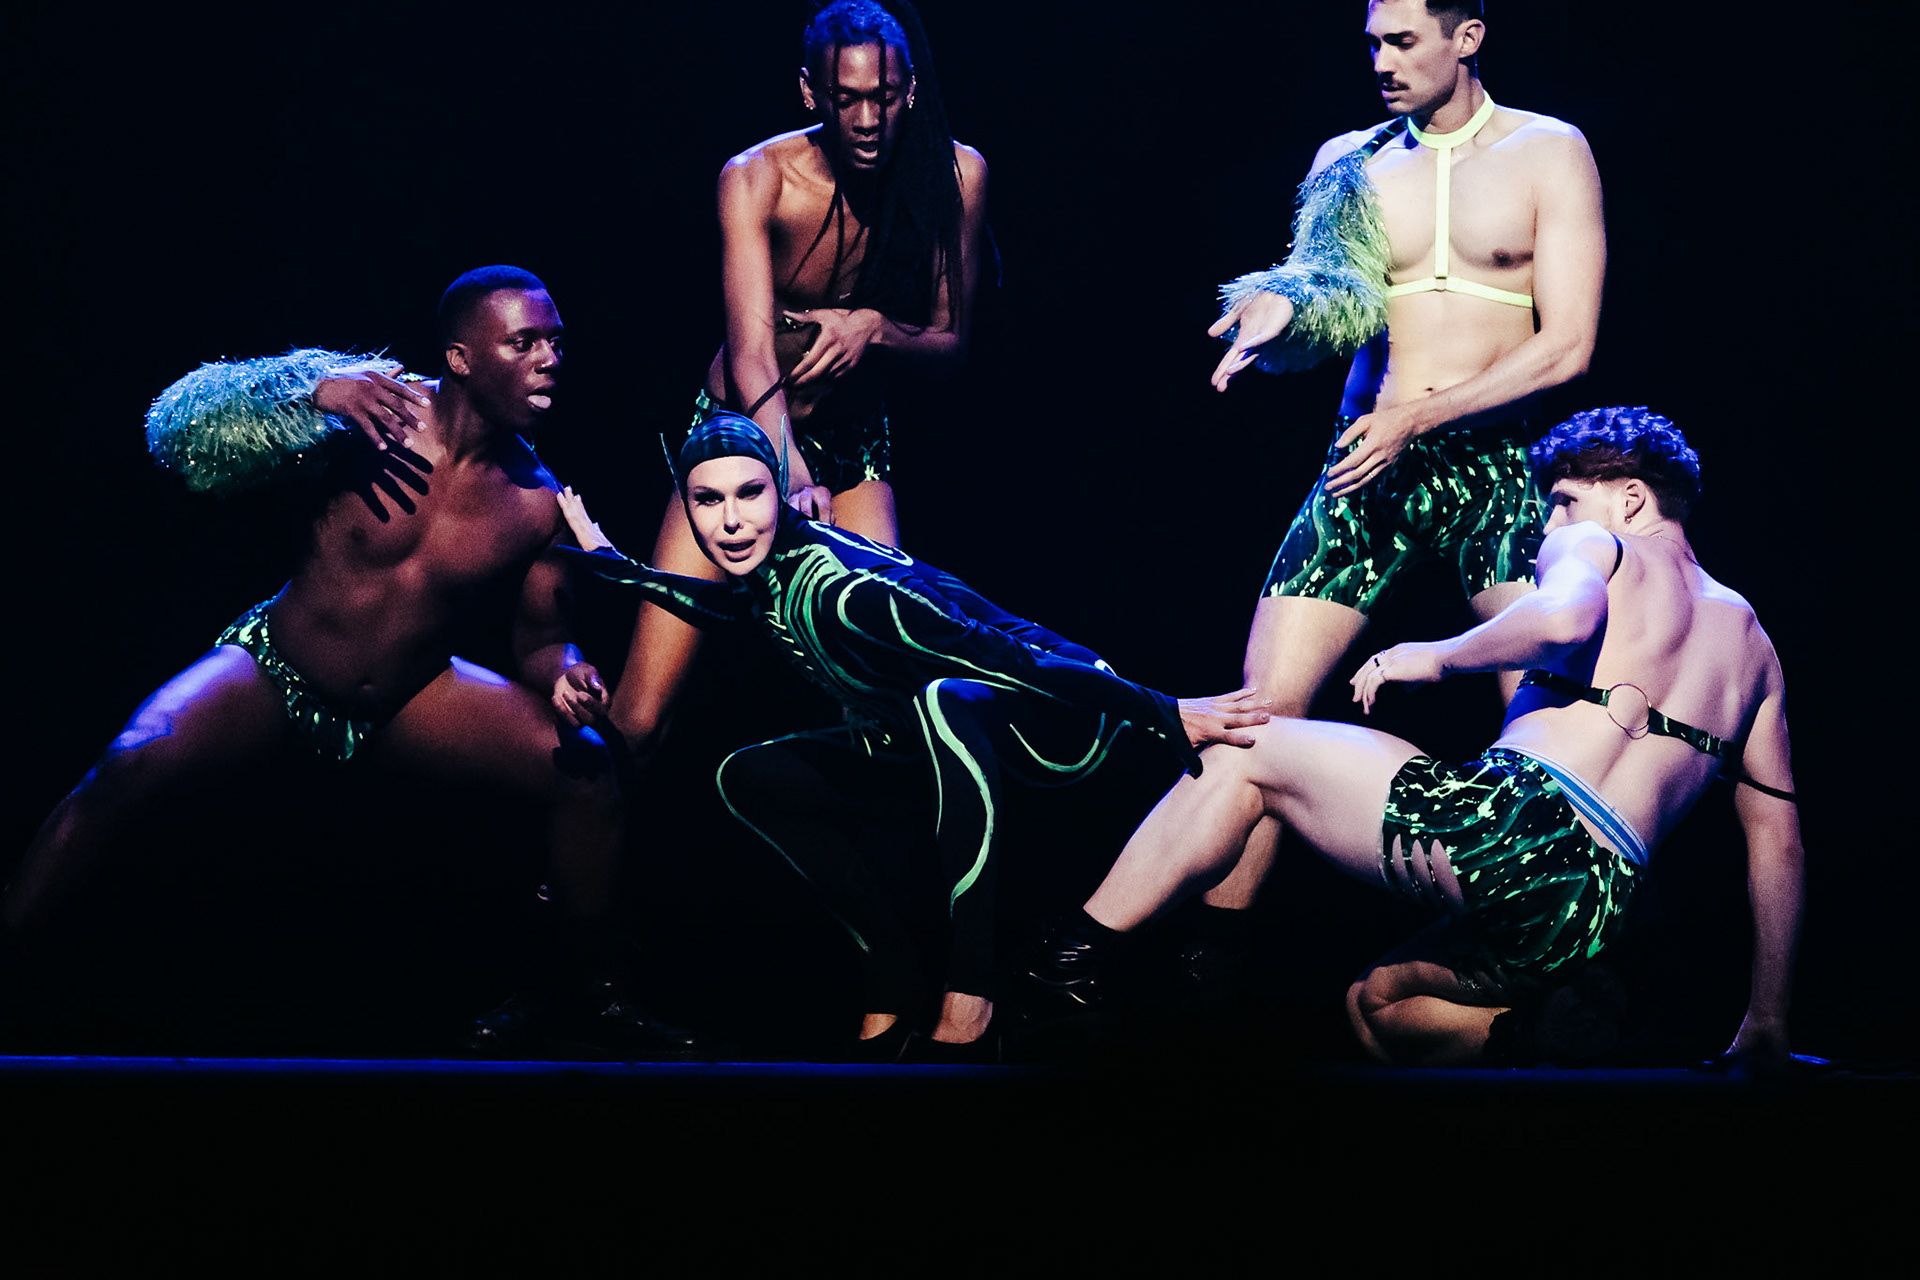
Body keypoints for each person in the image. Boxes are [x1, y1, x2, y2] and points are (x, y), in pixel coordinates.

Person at [4, 266, 695, 1056]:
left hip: (408, 697)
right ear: (461, 357)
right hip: (278, 668)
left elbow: (540, 640)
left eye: (557, 344)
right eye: (524, 343)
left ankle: (591, 993)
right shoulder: (371, 408)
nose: (550, 360)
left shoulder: (539, 502)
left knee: (588, 770)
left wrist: (567, 670)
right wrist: (309, 393)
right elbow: (177, 429)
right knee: (131, 760)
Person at [1028, 408, 1803, 1067]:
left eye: (1564, 501)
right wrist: (1767, 1018)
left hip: (1507, 825)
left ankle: (1064, 968)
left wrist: (1437, 656)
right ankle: (1539, 1038)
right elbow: (1779, 842)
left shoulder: (1600, 545)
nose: (1549, 526)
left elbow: (1565, 618)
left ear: (1631, 497)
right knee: (1378, 1004)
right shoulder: (1756, 650)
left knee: (1244, 747)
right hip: (1597, 906)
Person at [556, 413, 1268, 1060]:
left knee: (943, 699)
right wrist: (615, 563)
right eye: (709, 501)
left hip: (1067, 721)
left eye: (750, 494)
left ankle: (971, 995)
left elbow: (1005, 657)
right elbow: (727, 606)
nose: (732, 521)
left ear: (778, 489)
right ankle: (892, 978)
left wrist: (1160, 709)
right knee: (747, 775)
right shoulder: (772, 570)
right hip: (945, 732)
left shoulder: (847, 593)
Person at [1193, 0, 1608, 968]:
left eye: (1404, 41)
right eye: (1373, 43)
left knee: (1548, 731)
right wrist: (1278, 312)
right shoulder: (1349, 159)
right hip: (1364, 464)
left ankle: (1548, 978)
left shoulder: (1550, 151)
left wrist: (1418, 418)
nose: (1381, 61)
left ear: (1468, 38)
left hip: (1492, 468)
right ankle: (1205, 974)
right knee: (1256, 719)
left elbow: (1568, 345)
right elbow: (1325, 301)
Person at [610, 0, 990, 770]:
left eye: (884, 97)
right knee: (639, 720)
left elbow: (950, 344)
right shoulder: (757, 179)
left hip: (853, 441)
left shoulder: (956, 174)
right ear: (812, 92)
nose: (867, 120)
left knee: (883, 691)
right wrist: (788, 469)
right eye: (846, 99)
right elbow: (751, 353)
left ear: (911, 89)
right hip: (740, 436)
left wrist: (873, 326)